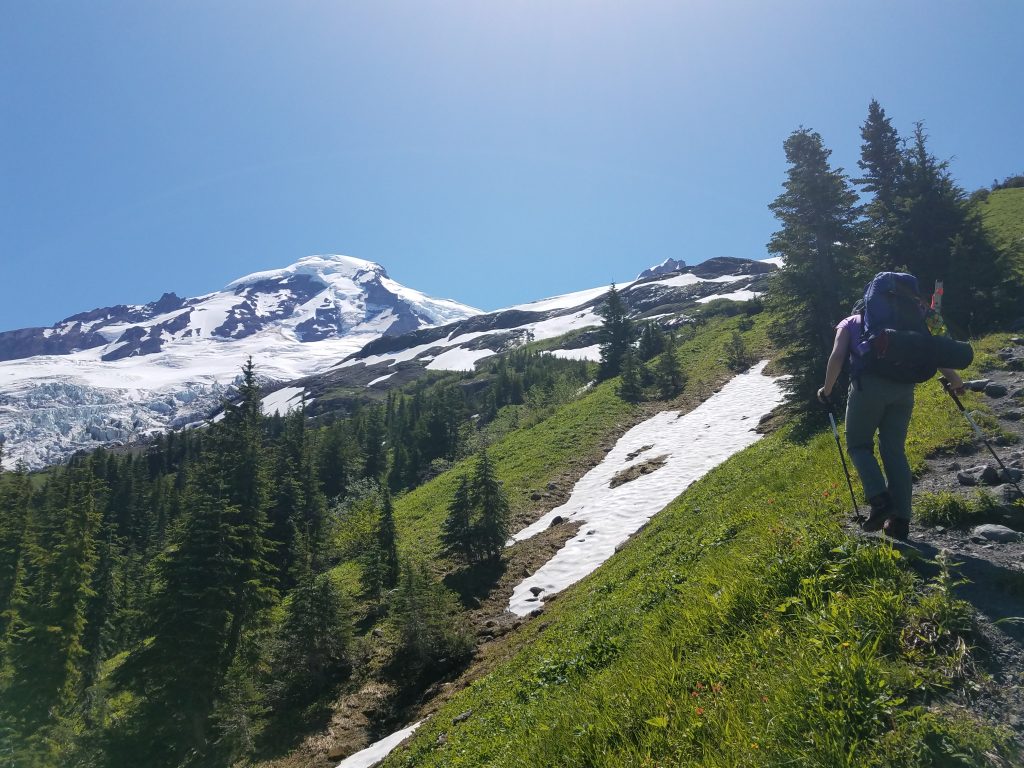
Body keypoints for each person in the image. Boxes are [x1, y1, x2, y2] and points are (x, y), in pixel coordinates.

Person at [817, 304, 965, 540]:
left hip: (868, 389)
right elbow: (933, 352)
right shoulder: (909, 322)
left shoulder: (849, 322)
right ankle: (900, 522)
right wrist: (955, 381)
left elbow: (837, 357)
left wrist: (827, 390)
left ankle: (880, 500)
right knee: (894, 450)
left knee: (859, 445)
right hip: (904, 389)